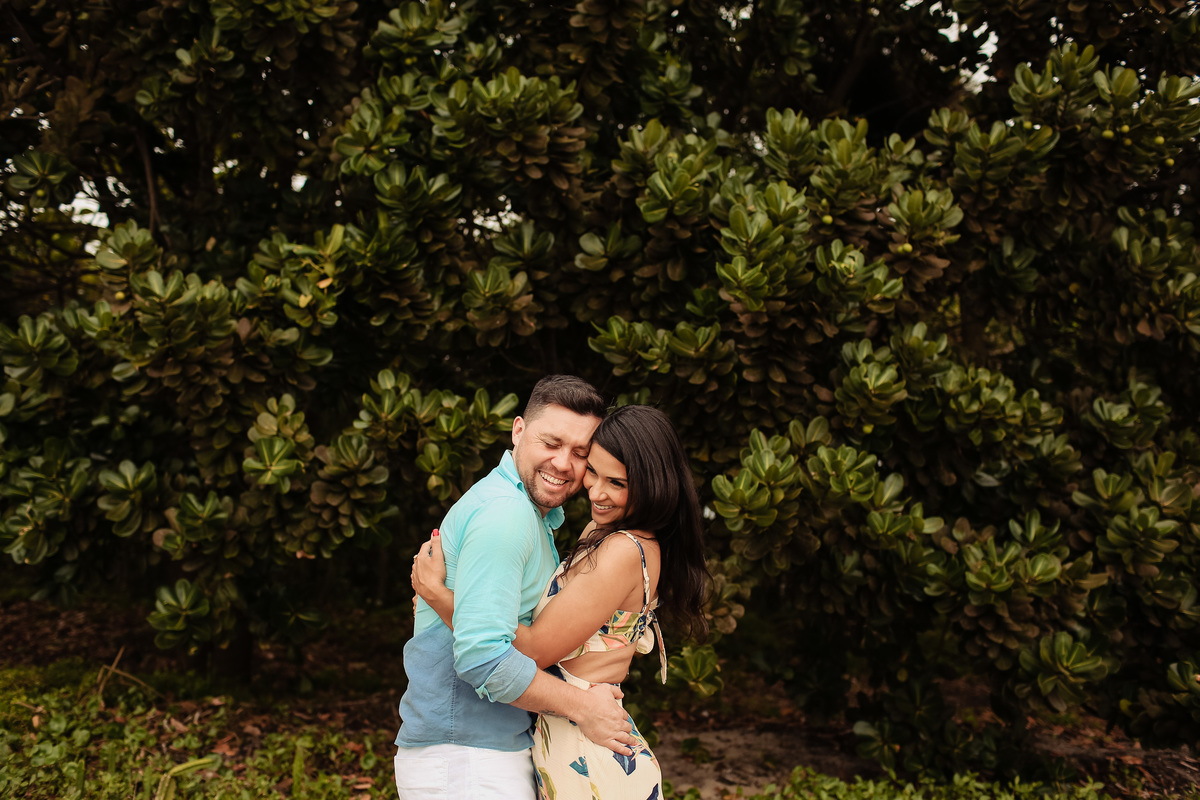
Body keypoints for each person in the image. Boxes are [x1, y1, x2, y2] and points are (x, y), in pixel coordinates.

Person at [413, 404, 710, 800]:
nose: (597, 492)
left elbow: (534, 649)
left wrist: (440, 596)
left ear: (653, 484)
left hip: (590, 752)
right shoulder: (602, 532)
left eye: (617, 483)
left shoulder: (625, 549)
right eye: (594, 472)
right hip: (566, 739)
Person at [393, 375, 639, 800]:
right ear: (518, 430)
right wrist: (584, 709)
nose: (564, 464)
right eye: (551, 443)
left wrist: (438, 598)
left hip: (478, 754)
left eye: (580, 453)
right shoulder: (506, 515)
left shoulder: (527, 514)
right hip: (467, 760)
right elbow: (483, 657)